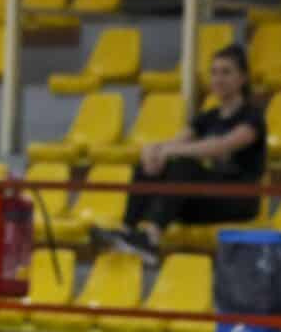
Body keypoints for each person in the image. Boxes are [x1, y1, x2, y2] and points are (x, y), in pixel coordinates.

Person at [94, 44, 267, 267]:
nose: (218, 79)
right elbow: (176, 142)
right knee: (147, 166)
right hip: (209, 199)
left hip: (239, 200)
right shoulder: (208, 116)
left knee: (184, 165)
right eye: (214, 72)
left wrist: (168, 151)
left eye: (226, 72)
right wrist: (153, 150)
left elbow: (220, 146)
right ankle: (128, 231)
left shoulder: (252, 117)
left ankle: (151, 238)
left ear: (242, 78)